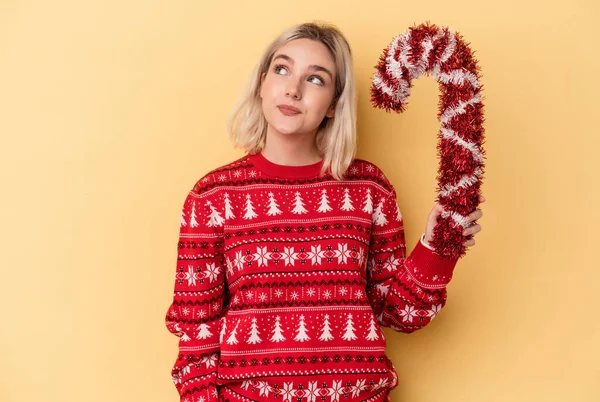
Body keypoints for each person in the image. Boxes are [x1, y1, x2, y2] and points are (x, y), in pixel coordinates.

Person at [164, 21, 484, 402]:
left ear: (334, 104)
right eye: (282, 69)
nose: (293, 89)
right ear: (262, 83)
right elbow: (196, 331)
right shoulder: (213, 197)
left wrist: (436, 250)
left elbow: (399, 314)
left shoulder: (369, 190)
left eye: (315, 79)